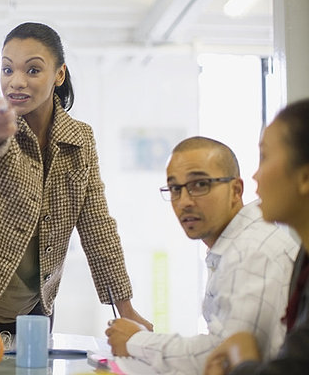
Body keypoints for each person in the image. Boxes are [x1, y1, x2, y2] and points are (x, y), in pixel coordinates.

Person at [0, 22, 152, 334]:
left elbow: (97, 226)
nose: (16, 81)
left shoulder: (79, 140)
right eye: (7, 70)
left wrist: (125, 306)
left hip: (35, 304)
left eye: (33, 70)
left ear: (58, 75)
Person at [106, 136, 299, 374]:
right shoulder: (236, 244)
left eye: (199, 185)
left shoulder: (251, 251)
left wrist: (136, 341)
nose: (184, 202)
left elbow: (226, 355)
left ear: (236, 190)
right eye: (175, 188)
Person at [204, 99, 309, 375]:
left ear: (305, 177)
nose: (255, 175)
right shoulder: (304, 258)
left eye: (264, 157)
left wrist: (241, 360)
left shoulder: (257, 248)